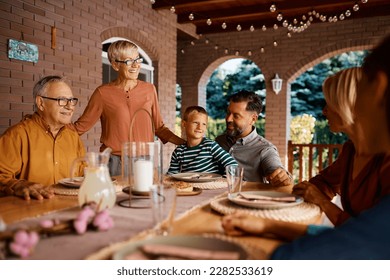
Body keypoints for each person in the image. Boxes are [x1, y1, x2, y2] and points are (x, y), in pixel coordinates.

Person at [222, 35, 390, 259]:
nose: (323, 111)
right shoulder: (351, 151)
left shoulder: (385, 164)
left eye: (329, 103)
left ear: (377, 88)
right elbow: (349, 231)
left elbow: (356, 242)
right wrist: (268, 226)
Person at [72, 40, 185, 176]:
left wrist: (184, 143)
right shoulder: (102, 93)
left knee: (144, 197)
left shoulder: (149, 90)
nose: (135, 65)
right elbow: (79, 127)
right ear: (115, 65)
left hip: (144, 162)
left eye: (137, 59)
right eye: (128, 61)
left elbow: (159, 128)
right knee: (116, 198)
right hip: (114, 163)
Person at [0, 76, 85, 200]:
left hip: (69, 211)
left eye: (72, 100)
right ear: (41, 103)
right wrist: (19, 185)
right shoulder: (16, 135)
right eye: (62, 100)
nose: (70, 106)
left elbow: (84, 174)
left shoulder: (73, 138)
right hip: (30, 212)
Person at [215, 90, 292, 187]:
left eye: (236, 116)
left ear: (253, 119)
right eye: (228, 112)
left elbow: (276, 169)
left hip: (246, 200)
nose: (228, 119)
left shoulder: (265, 149)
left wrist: (283, 177)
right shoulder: (219, 141)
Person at [167, 106, 237, 175]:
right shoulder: (178, 151)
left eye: (204, 124)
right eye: (196, 123)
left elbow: (232, 164)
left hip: (211, 185)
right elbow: (171, 175)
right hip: (189, 185)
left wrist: (224, 180)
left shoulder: (210, 145)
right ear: (184, 124)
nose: (200, 127)